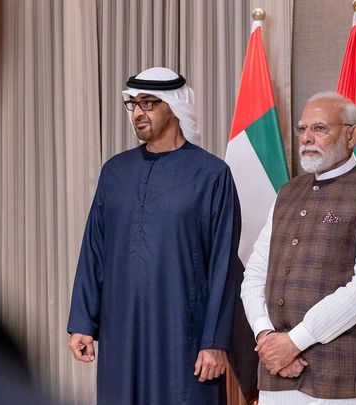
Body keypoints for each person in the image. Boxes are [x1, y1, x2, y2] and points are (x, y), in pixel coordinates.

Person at [67, 67, 242, 404]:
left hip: (185, 337)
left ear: (173, 107)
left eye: (148, 103)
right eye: (132, 104)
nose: (137, 113)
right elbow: (94, 251)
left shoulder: (212, 175)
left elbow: (224, 266)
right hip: (122, 332)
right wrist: (82, 322)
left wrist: (214, 341)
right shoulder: (114, 172)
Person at [241, 91, 356, 404]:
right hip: (278, 371)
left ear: (352, 135)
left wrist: (294, 342)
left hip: (345, 377)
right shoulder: (288, 192)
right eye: (302, 129)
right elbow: (255, 273)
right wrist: (265, 336)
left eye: (319, 128)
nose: (306, 138)